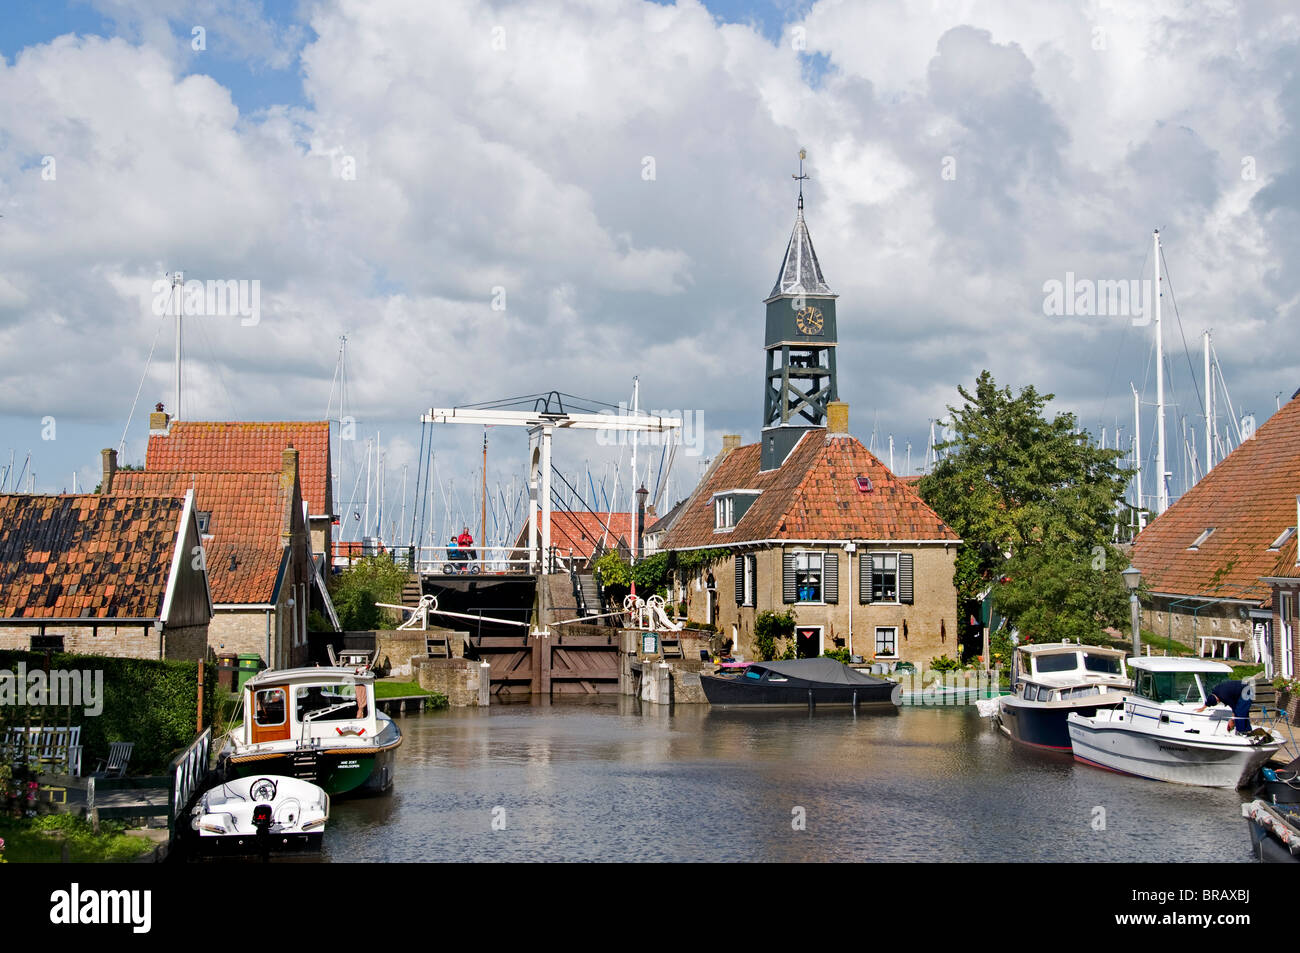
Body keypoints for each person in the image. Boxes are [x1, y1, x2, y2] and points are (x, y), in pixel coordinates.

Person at [1197, 679, 1268, 738]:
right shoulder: (1215, 691)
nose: (1219, 703)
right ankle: (1248, 730)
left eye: (1218, 702)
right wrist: (1203, 708)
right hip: (1241, 690)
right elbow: (1210, 701)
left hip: (1246, 691)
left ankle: (1241, 732)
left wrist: (1232, 720)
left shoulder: (1224, 696)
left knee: (1240, 712)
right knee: (1243, 712)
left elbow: (1234, 708)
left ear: (1217, 700)